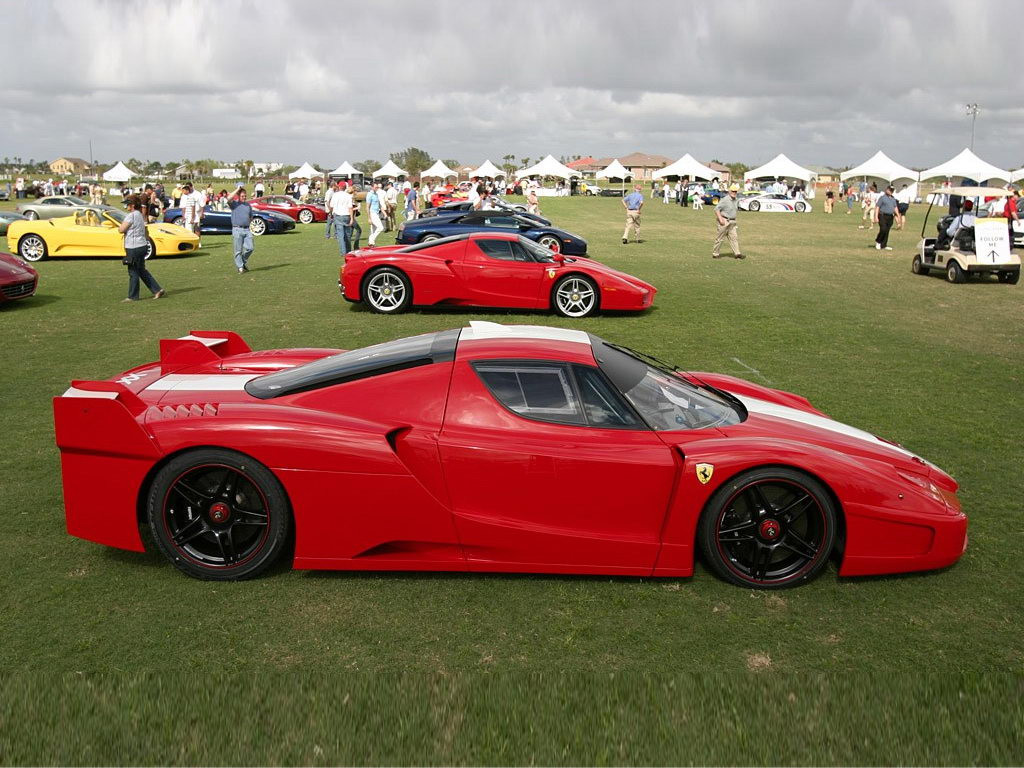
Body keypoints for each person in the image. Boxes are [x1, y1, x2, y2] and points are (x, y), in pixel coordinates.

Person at [118, 194, 164, 302]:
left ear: (132, 205)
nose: (126, 207)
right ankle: (157, 290)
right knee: (141, 270)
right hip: (142, 245)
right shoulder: (139, 214)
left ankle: (133, 296)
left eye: (128, 205)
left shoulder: (131, 216)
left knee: (133, 271)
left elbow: (121, 229)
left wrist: (121, 227)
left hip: (133, 247)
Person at [712, 184, 744, 259]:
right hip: (724, 220)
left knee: (734, 238)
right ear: (729, 191)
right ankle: (715, 254)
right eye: (733, 191)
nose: (734, 192)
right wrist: (720, 219)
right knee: (720, 238)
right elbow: (716, 209)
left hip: (732, 222)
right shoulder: (725, 200)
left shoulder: (736, 200)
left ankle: (737, 253)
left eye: (735, 191)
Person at [329, 181, 354, 254]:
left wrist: (331, 213)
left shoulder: (335, 195)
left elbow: (331, 206)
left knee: (340, 235)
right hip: (346, 215)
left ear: (339, 187)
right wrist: (352, 218)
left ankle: (343, 252)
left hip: (338, 215)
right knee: (347, 235)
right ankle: (349, 250)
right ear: (345, 187)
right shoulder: (348, 196)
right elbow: (350, 207)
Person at [873, 186, 898, 250]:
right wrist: (876, 217)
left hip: (890, 216)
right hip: (882, 215)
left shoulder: (893, 199)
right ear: (886, 190)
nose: (890, 192)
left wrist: (898, 216)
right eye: (890, 190)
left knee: (887, 231)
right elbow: (877, 207)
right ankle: (878, 241)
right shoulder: (882, 198)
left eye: (892, 190)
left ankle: (884, 245)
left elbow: (895, 208)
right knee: (883, 229)